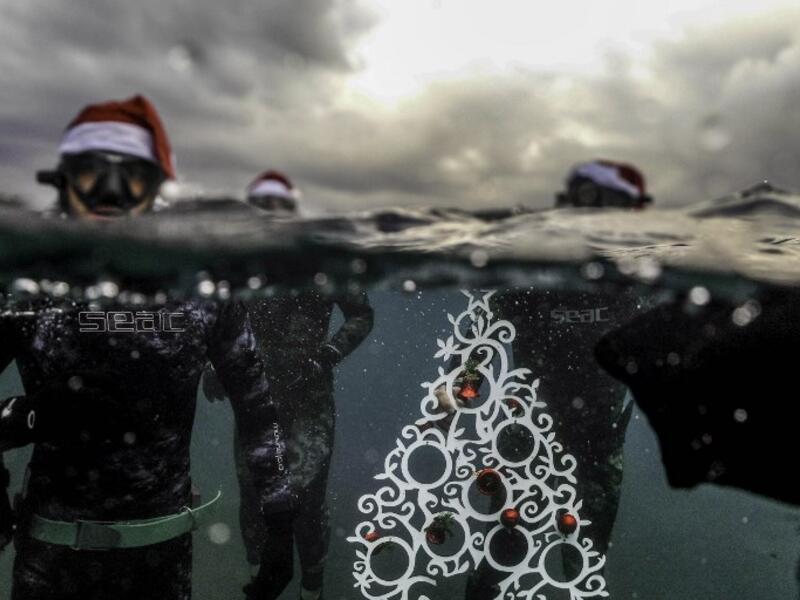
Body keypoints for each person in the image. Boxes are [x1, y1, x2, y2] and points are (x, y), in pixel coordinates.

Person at [0, 95, 294, 600]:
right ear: (65, 183)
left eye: (131, 175)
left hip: (160, 561)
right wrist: (18, 420)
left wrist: (281, 519)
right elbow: (257, 407)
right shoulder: (27, 286)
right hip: (52, 560)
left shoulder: (202, 287)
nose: (110, 194)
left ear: (157, 187)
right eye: (91, 173)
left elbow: (256, 406)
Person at [452, 160, 652, 599]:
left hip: (598, 440)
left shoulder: (628, 279)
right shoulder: (533, 275)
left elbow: (662, 339)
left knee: (585, 562)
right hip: (529, 438)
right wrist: (464, 384)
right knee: (503, 547)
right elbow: (481, 333)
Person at [204, 168, 374, 600]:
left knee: (307, 500)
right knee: (254, 497)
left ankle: (312, 586)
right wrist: (216, 366)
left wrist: (327, 356)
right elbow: (222, 320)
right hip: (257, 395)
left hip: (309, 397)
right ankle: (259, 584)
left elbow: (361, 314)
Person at [555, 159, 652, 209]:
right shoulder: (609, 171)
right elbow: (614, 182)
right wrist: (635, 192)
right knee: (613, 194)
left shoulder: (591, 167)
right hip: (587, 186)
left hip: (578, 184)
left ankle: (569, 199)